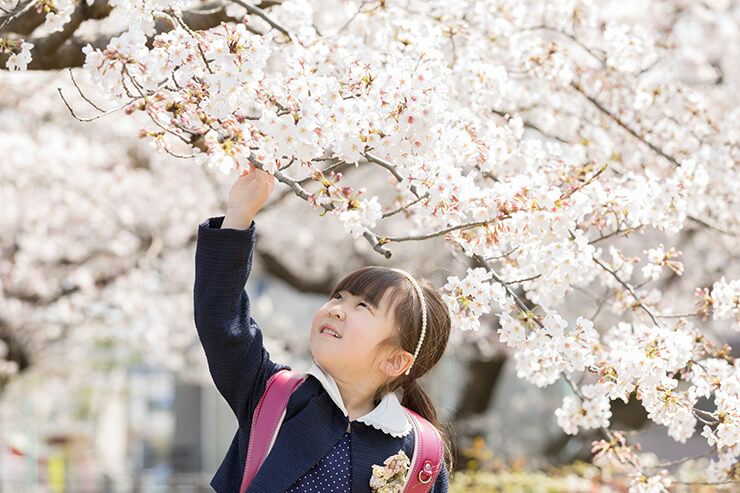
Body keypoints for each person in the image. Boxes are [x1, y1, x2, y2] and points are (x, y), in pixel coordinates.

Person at [194, 164, 452, 492]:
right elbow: (221, 321)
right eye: (339, 297)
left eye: (362, 307)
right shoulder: (271, 395)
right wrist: (239, 214)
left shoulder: (421, 453)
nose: (337, 310)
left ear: (395, 362)